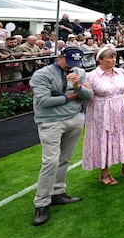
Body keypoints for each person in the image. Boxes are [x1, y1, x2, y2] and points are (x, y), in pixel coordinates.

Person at [30, 46, 92, 226]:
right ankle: (41, 203)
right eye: (68, 61)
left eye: (75, 62)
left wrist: (79, 86)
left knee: (65, 159)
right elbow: (44, 101)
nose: (70, 66)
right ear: (60, 57)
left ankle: (58, 193)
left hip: (74, 118)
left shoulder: (79, 71)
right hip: (51, 121)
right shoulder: (42, 74)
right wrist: (73, 96)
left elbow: (89, 96)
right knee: (50, 161)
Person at [82, 47, 124, 185]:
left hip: (121, 110)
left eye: (114, 57)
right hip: (101, 113)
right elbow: (86, 97)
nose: (113, 60)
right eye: (110, 58)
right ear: (100, 60)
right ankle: (105, 173)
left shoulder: (121, 72)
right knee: (103, 139)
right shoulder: (91, 76)